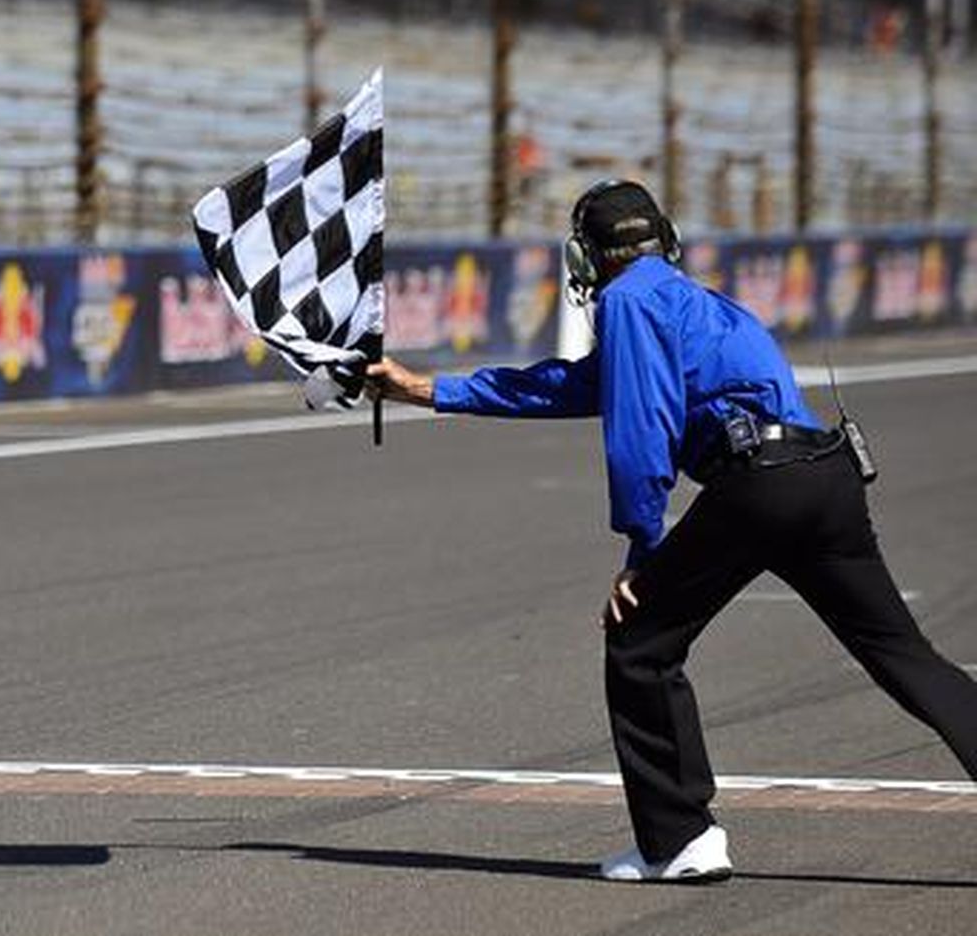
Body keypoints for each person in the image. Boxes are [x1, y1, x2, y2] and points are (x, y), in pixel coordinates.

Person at [365, 178, 977, 883]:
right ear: (665, 238)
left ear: (584, 256)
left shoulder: (625, 301)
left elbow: (640, 429)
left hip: (758, 482)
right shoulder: (697, 300)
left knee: (638, 640)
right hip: (824, 472)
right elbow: (575, 386)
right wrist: (426, 390)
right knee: (903, 656)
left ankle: (680, 838)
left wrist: (642, 548)